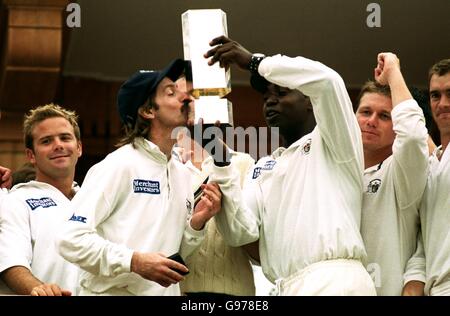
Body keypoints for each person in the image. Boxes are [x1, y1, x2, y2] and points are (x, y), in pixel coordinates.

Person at [204, 36, 376, 295]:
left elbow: (328, 82)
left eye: (281, 92)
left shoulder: (335, 141)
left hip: (335, 282)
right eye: (265, 97)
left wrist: (254, 62)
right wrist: (219, 157)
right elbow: (241, 231)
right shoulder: (263, 167)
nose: (270, 101)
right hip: (285, 286)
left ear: (310, 101)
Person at [57, 59, 222, 296]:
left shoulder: (184, 174)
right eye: (170, 92)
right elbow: (69, 239)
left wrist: (196, 225)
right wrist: (134, 261)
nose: (186, 97)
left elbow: (175, 258)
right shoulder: (119, 165)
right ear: (148, 111)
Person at [355, 53, 429, 296]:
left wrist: (394, 72)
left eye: (384, 116)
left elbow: (412, 137)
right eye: (365, 112)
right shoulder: (333, 174)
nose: (372, 121)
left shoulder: (402, 175)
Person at [0, 104, 82, 296]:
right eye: (46, 141)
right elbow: (10, 261)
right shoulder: (16, 200)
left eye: (65, 137)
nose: (58, 145)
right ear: (31, 155)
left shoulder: (94, 200)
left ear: (79, 147)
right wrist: (37, 288)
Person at [175, 130, 256, 296]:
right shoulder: (166, 165)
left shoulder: (243, 163)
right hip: (178, 289)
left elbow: (250, 233)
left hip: (234, 291)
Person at [417, 58, 450, 296]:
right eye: (435, 96)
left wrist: (393, 72)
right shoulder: (434, 160)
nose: (443, 104)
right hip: (433, 287)